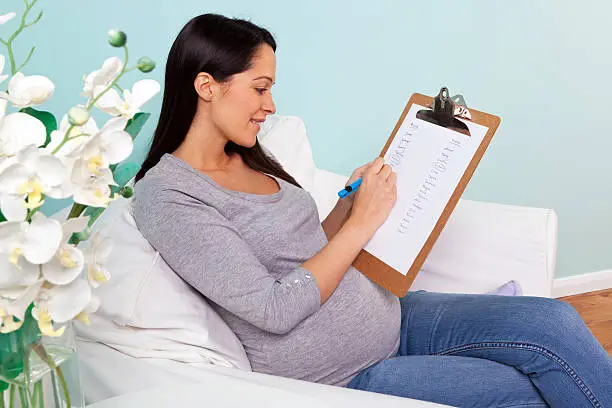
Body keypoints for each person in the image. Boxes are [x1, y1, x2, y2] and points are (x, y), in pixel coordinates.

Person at [132, 13, 612, 408]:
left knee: (553, 322)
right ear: (206, 85)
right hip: (342, 375)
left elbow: (306, 248)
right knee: (522, 390)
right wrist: (361, 225)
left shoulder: (249, 153)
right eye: (260, 88)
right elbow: (271, 307)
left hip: (394, 315)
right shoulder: (169, 195)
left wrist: (350, 200)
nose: (270, 105)